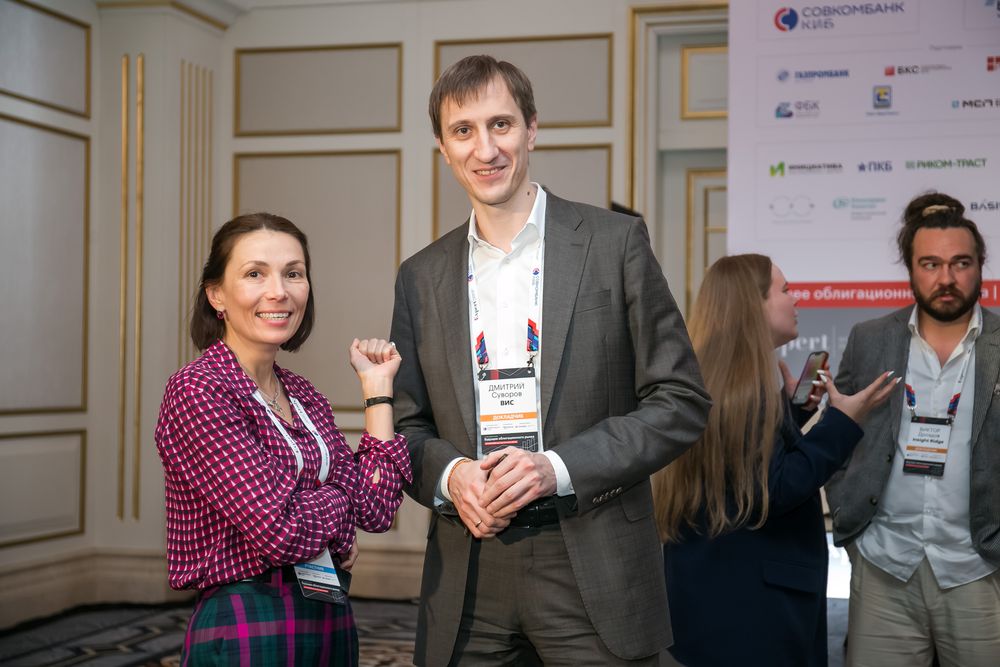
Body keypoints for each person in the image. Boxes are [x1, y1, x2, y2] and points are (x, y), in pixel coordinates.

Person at [390, 55, 712, 666]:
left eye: (501, 125)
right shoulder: (420, 276)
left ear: (532, 129)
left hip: (590, 557)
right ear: (443, 148)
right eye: (463, 131)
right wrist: (452, 475)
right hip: (470, 571)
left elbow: (681, 400)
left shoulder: (614, 244)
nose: (485, 149)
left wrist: (556, 467)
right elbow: (406, 426)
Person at [154, 212, 412, 665]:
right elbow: (281, 532)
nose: (279, 291)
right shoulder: (198, 390)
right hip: (246, 621)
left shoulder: (303, 394)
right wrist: (339, 508)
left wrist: (377, 391)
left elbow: (375, 510)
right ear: (216, 294)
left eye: (293, 273)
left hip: (328, 614)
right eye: (255, 274)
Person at [655, 254, 899, 667]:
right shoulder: (744, 390)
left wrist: (791, 413)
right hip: (755, 611)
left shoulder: (709, 377)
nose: (796, 299)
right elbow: (776, 487)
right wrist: (842, 422)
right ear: (754, 305)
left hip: (711, 598)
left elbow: (739, 467)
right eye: (784, 290)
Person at [826, 193, 1000, 667]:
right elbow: (837, 434)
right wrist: (848, 518)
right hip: (884, 567)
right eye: (930, 264)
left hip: (979, 569)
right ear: (910, 269)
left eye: (960, 263)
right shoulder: (869, 339)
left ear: (980, 266)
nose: (946, 278)